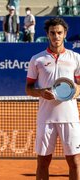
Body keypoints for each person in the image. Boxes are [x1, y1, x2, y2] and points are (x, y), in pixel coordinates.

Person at [25, 17, 80, 179]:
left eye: (59, 33)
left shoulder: (76, 58)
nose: (56, 36)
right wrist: (41, 92)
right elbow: (28, 89)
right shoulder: (37, 59)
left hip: (70, 117)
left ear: (65, 34)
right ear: (47, 35)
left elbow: (79, 85)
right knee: (42, 162)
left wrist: (73, 93)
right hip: (46, 118)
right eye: (52, 33)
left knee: (75, 162)